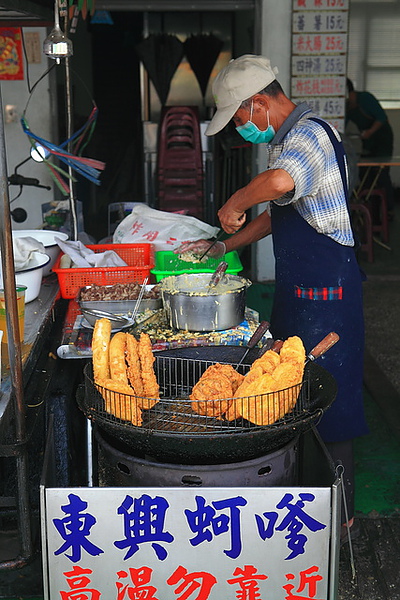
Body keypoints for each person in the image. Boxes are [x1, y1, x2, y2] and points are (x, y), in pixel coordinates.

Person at [176, 55, 368, 539]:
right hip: (299, 291)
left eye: (239, 118)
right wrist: (223, 244)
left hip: (327, 295)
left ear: (259, 102)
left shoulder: (309, 136)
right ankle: (299, 509)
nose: (241, 129)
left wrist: (235, 201)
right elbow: (280, 213)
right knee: (285, 392)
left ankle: (340, 523)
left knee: (331, 403)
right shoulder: (284, 141)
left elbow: (279, 185)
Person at [346, 77, 394, 216]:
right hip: (367, 142)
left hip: (382, 139)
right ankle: (368, 210)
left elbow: (381, 118)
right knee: (364, 174)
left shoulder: (365, 98)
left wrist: (370, 132)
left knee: (380, 173)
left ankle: (388, 210)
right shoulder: (347, 107)